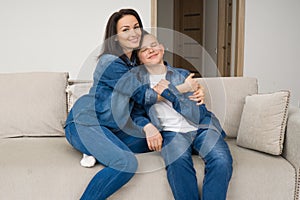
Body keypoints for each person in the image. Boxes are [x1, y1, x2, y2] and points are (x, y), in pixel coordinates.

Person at [64, 9, 204, 200]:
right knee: (126, 164)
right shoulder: (109, 62)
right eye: (125, 29)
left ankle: (97, 150)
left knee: (167, 138)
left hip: (114, 129)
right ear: (115, 37)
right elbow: (144, 96)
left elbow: (161, 73)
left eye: (136, 27)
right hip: (86, 123)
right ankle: (92, 148)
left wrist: (194, 90)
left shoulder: (136, 64)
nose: (133, 33)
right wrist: (183, 88)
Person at [130, 33, 233, 200]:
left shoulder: (183, 74)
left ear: (162, 48)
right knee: (177, 162)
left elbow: (196, 112)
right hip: (171, 132)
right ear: (140, 58)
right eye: (144, 50)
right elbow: (135, 113)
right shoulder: (138, 83)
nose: (150, 50)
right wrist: (148, 127)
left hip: (201, 127)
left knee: (221, 160)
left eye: (154, 45)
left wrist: (169, 92)